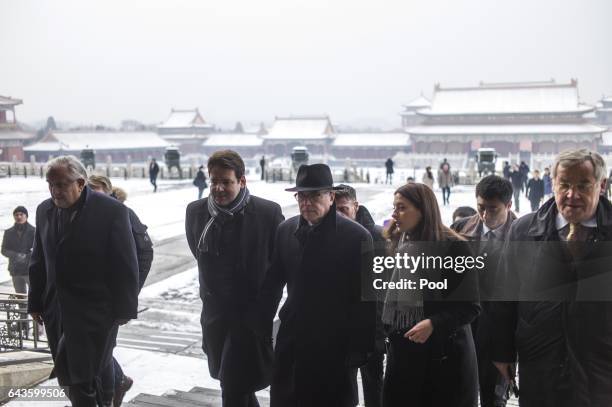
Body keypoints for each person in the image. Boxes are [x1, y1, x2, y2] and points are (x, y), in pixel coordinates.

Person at [491, 148, 612, 407]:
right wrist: (502, 351)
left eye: (583, 185)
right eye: (564, 185)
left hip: (601, 363)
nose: (572, 195)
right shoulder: (524, 230)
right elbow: (504, 294)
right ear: (553, 183)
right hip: (540, 359)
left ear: (601, 185)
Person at [259, 164, 375, 407]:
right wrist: (260, 329)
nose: (307, 202)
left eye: (315, 195)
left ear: (331, 197)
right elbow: (272, 284)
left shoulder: (356, 237)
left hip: (334, 345)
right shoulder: (285, 230)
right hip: (293, 338)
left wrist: (360, 348)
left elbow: (365, 299)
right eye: (302, 196)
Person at [28, 155, 139, 407]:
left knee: (81, 377)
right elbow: (39, 260)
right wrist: (35, 302)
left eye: (61, 184)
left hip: (96, 312)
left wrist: (123, 310)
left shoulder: (111, 211)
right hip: (57, 310)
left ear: (80, 182)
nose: (55, 191)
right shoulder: (44, 210)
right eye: (50, 184)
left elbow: (125, 265)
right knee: (73, 376)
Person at [185, 150, 284, 407]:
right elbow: (199, 256)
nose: (218, 188)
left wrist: (264, 313)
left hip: (251, 316)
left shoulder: (267, 214)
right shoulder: (196, 212)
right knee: (235, 384)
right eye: (214, 181)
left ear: (242, 181)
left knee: (233, 384)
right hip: (215, 316)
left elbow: (278, 267)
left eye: (226, 182)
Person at [381, 183, 480, 407]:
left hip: (444, 357)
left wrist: (434, 323)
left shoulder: (455, 247)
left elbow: (470, 307)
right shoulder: (399, 243)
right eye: (394, 208)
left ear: (423, 210)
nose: (395, 214)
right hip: (405, 357)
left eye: (402, 208)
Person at [88, 174, 154, 407]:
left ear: (107, 190)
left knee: (103, 348)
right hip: (88, 296)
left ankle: (111, 389)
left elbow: (145, 253)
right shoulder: (85, 211)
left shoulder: (122, 213)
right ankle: (115, 383)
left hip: (112, 297)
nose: (90, 192)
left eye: (95, 189)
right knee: (93, 348)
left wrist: (130, 292)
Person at [451, 175, 516, 407]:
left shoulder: (523, 235)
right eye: (480, 208)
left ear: (509, 205)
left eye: (493, 209)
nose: (485, 215)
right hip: (463, 325)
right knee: (459, 393)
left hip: (500, 330)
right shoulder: (460, 228)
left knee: (494, 397)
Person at [335, 184, 385, 407]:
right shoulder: (329, 233)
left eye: (343, 209)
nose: (338, 216)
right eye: (334, 209)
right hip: (342, 323)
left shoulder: (376, 236)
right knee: (344, 382)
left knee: (373, 380)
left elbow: (386, 285)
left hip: (372, 322)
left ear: (355, 206)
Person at [2, 206, 35, 295]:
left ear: (26, 216)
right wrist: (16, 255)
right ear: (14, 217)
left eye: (21, 214)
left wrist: (26, 256)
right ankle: (22, 308)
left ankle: (34, 309)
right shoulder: (8, 232)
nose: (19, 217)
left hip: (29, 269)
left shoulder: (34, 231)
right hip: (15, 270)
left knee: (35, 295)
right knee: (20, 296)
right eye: (16, 215)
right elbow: (3, 250)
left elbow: (39, 250)